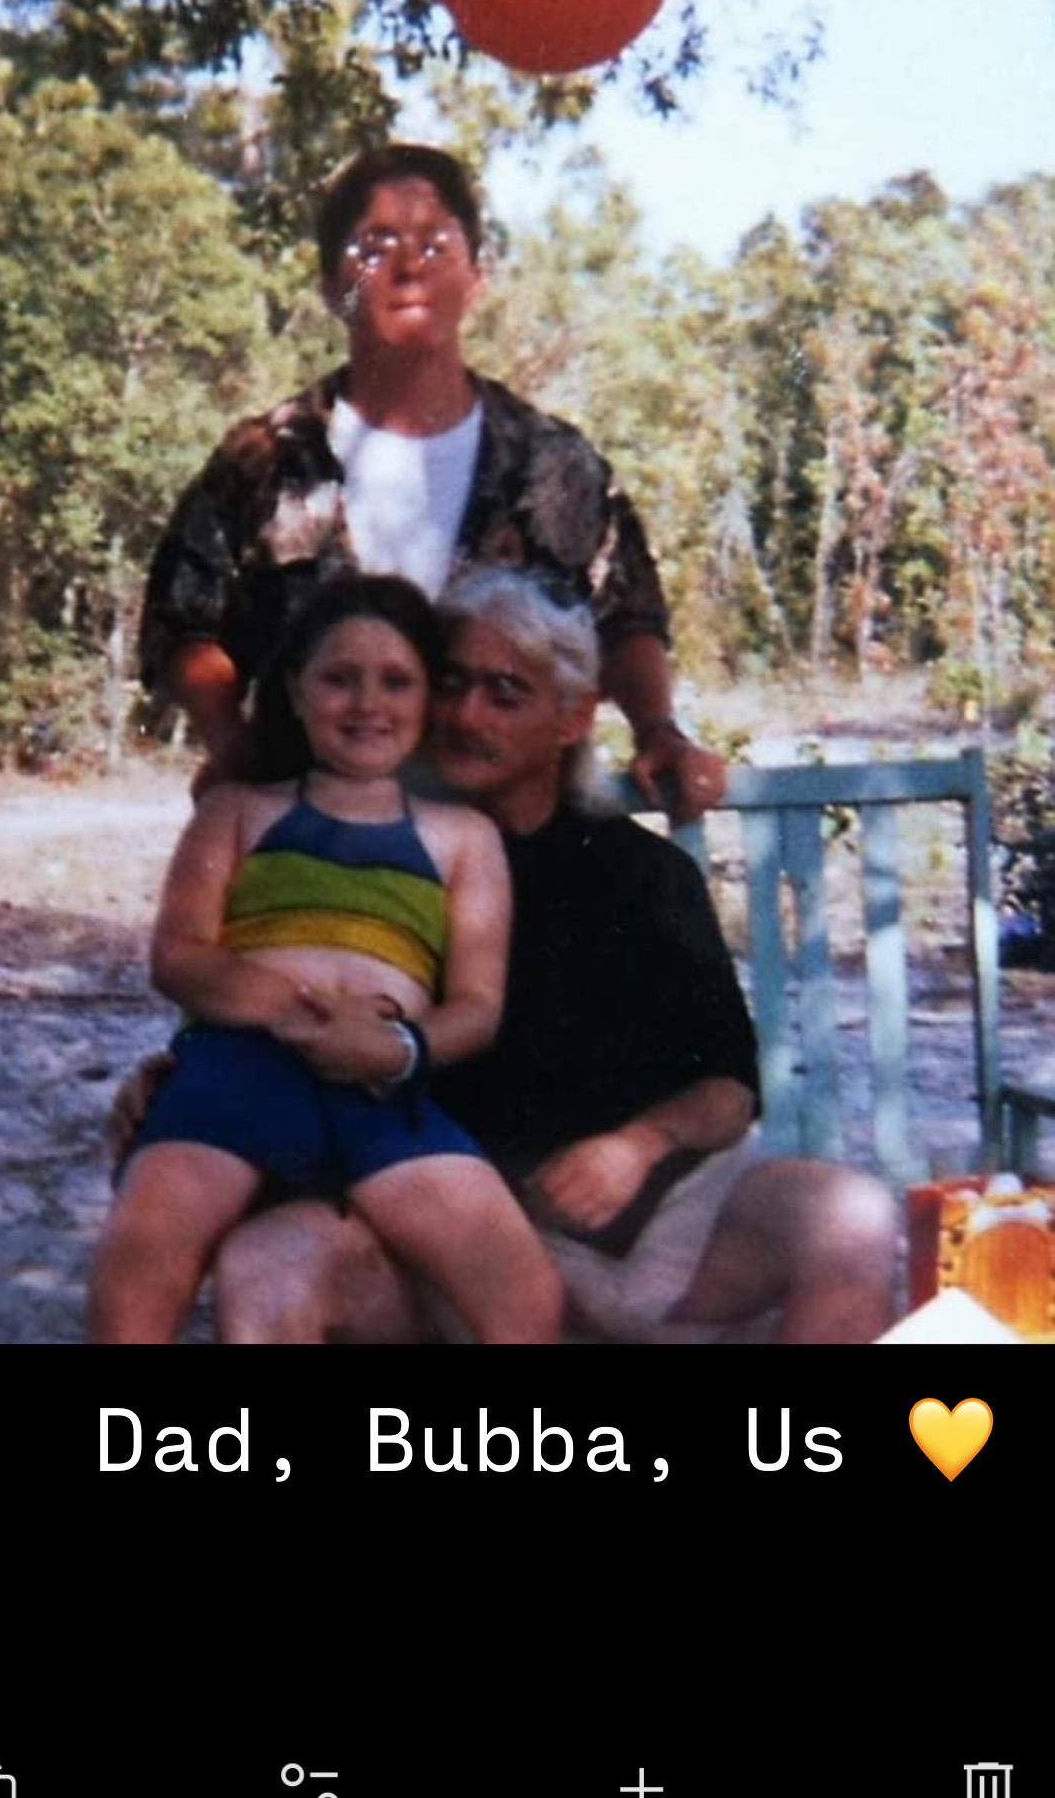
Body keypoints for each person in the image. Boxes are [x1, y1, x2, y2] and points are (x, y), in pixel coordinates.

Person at [113, 570, 898, 1345]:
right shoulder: (384, 855)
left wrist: (637, 1145)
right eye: (449, 684)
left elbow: (730, 1086)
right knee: (271, 1261)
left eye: (503, 692)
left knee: (847, 1218)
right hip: (450, 1238)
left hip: (665, 1228)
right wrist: (181, 1073)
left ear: (572, 717)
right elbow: (279, 988)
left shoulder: (639, 873)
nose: (463, 714)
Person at [139, 141, 724, 822]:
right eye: (374, 245)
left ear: (476, 277)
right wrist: (231, 744)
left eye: (435, 243)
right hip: (317, 838)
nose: (407, 266)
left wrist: (657, 730)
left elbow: (626, 617)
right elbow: (183, 622)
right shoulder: (269, 460)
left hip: (514, 848)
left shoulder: (552, 463)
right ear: (333, 288)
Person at [89, 574, 563, 1345]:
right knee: (139, 1259)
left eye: (396, 681)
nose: (367, 703)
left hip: (381, 1088)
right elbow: (179, 957)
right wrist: (301, 1012)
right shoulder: (236, 812)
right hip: (236, 1074)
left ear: (427, 699)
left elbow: (476, 1006)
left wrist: (396, 1045)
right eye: (339, 679)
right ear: (295, 692)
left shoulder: (461, 837)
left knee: (524, 1293)